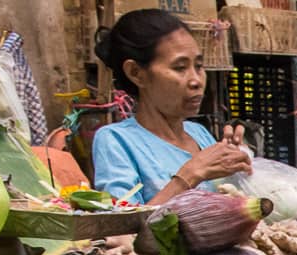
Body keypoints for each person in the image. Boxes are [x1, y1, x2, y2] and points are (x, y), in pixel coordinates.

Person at [91, 10, 250, 204]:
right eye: (180, 68)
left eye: (199, 66)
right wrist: (189, 176)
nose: (196, 81)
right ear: (136, 73)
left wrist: (237, 169)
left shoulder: (199, 134)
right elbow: (120, 229)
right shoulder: (116, 141)